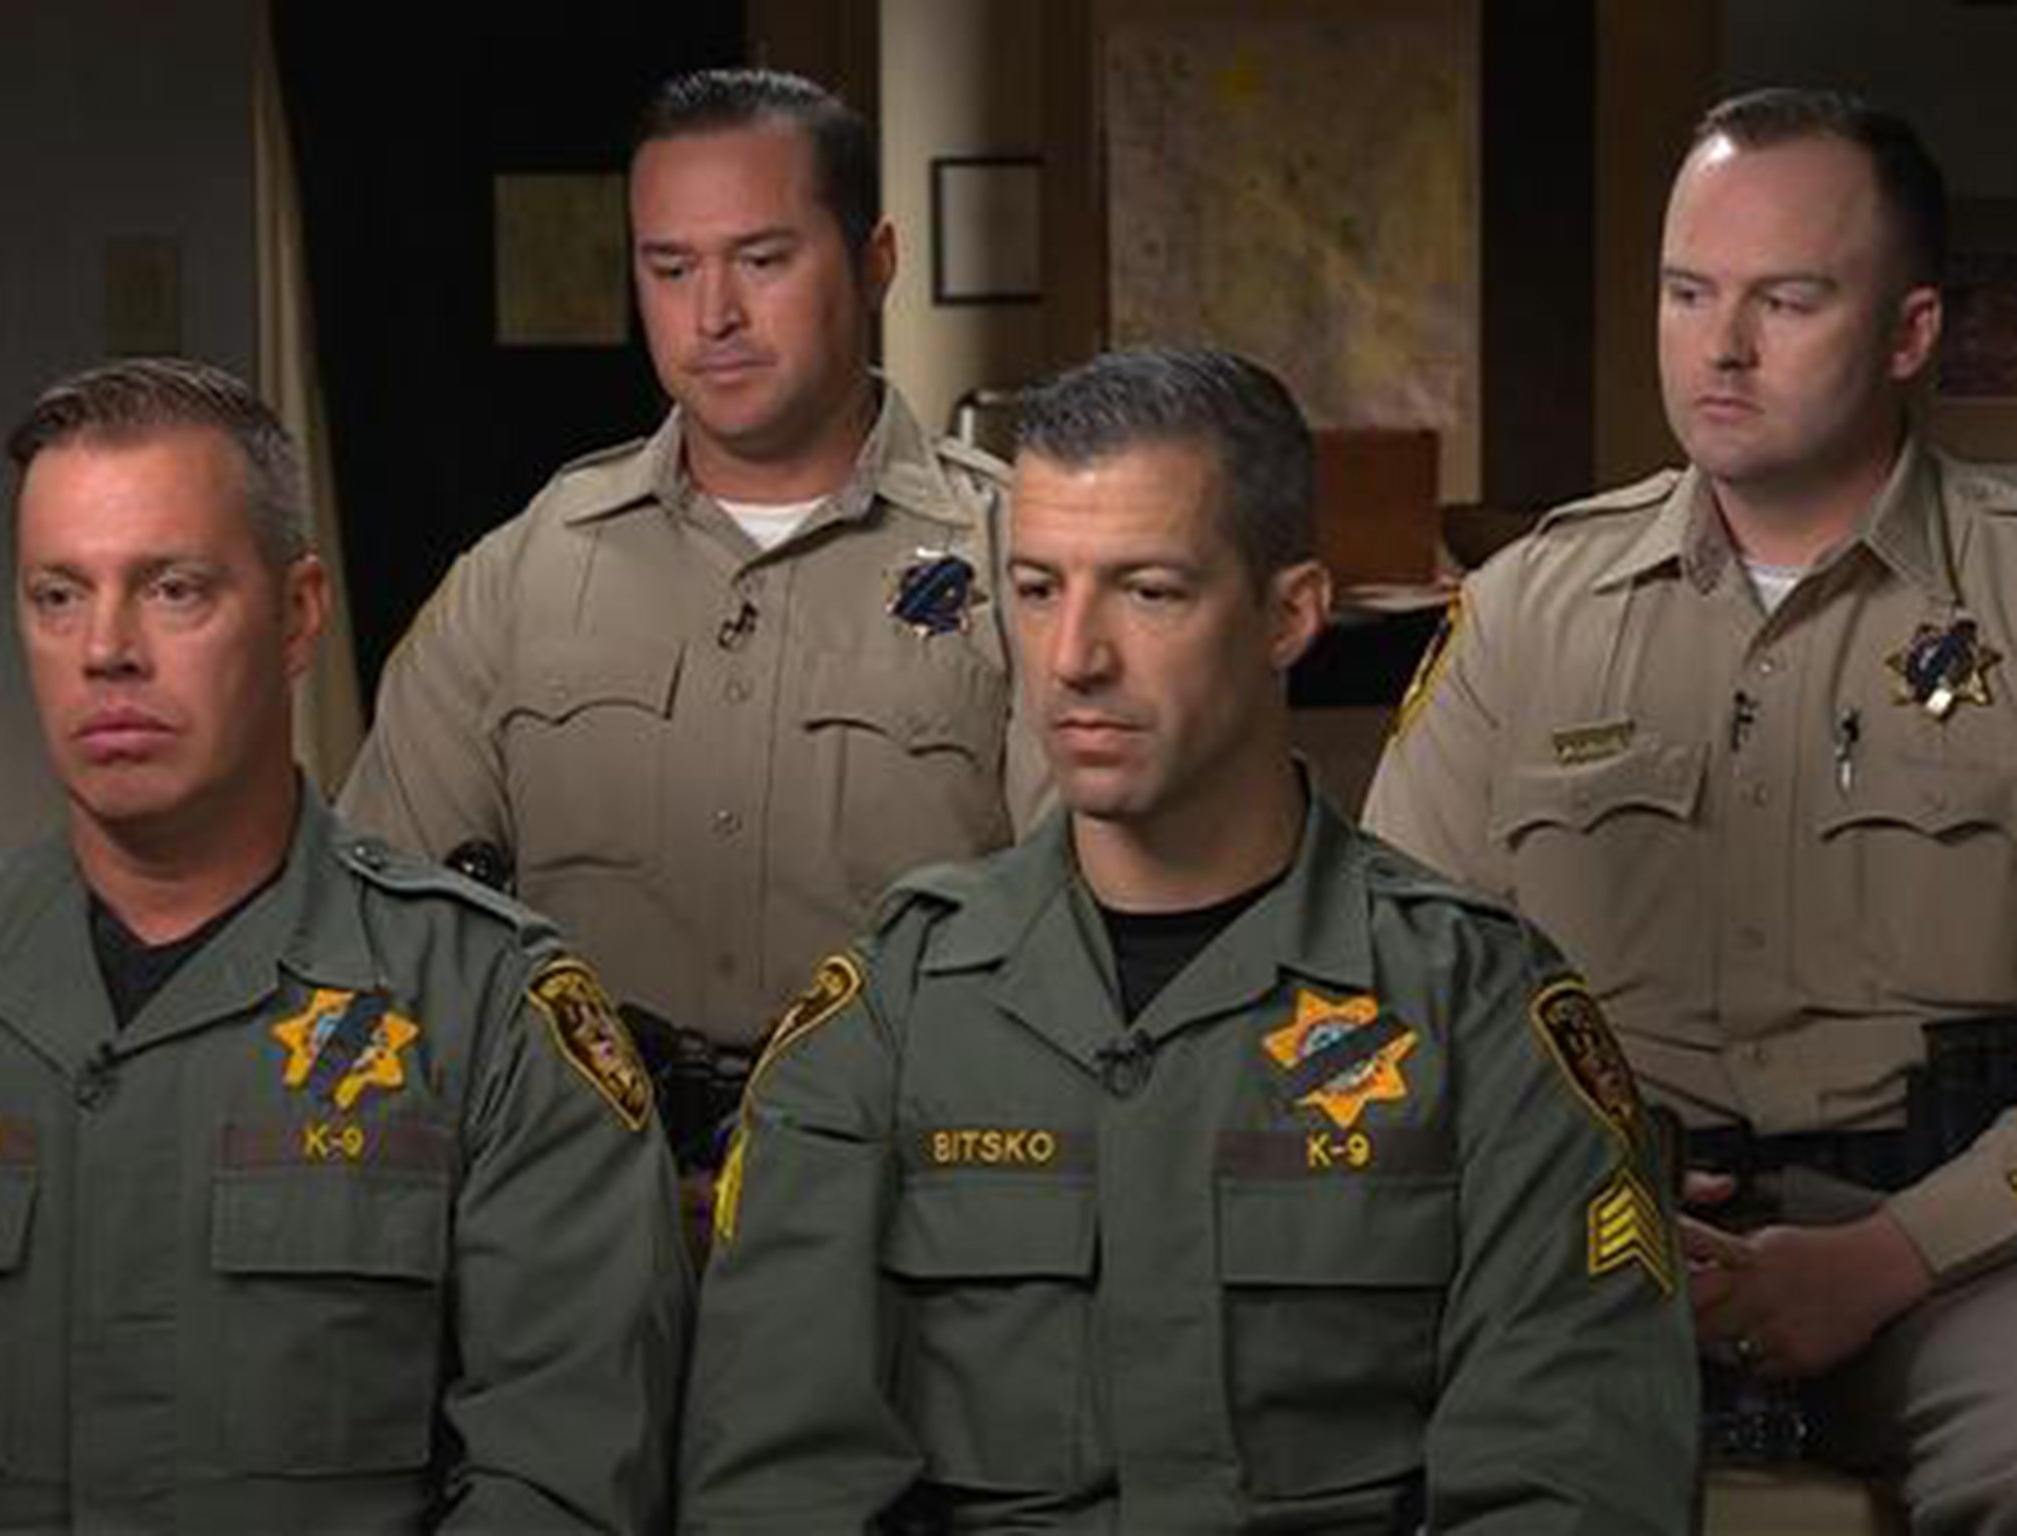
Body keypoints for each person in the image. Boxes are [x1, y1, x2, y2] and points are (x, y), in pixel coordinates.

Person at [679, 347, 1698, 1533]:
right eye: (1038, 589)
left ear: (1288, 613)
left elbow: (1572, 1487)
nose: (1073, 659)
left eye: (1148, 591)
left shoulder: (1478, 1015)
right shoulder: (889, 1015)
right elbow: (774, 1483)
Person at [1365, 88, 2017, 1532]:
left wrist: (1899, 1252)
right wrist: (1566, 1209)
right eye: (1686, 292)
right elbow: (1387, 987)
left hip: (1958, 1255)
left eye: (1785, 300)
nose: (1720, 348)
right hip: (1588, 1234)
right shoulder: (1533, 608)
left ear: (1911, 333)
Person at [0, 357, 690, 1531]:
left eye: (173, 590)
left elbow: (562, 1479)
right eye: (58, 594)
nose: (105, 648)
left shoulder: (487, 1011)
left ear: (299, 614)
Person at [339, 69, 1045, 1073]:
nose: (711, 314)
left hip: (911, 1184)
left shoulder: (1022, 562)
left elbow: (1098, 936)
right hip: (581, 1185)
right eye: (669, 268)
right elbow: (381, 923)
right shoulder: (524, 572)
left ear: (874, 260)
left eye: (761, 259)